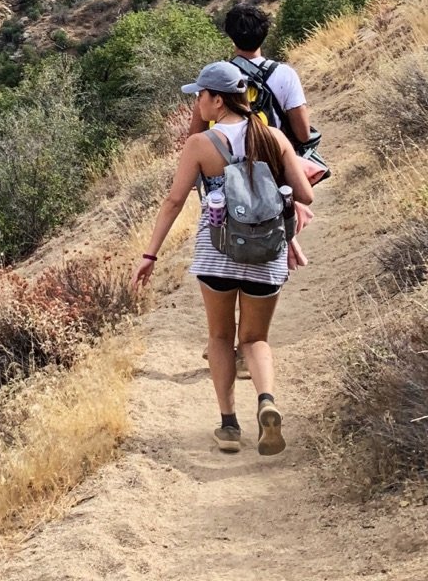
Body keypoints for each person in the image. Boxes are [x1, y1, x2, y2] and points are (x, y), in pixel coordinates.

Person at [132, 61, 314, 455]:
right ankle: (266, 400)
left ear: (218, 99)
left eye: (200, 95)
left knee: (219, 336)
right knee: (256, 339)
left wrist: (151, 254)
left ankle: (229, 426)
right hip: (267, 255)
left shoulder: (200, 145)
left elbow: (174, 201)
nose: (197, 103)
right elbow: (306, 196)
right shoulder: (273, 137)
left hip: (217, 254)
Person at [187, 3, 311, 152]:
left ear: (231, 38)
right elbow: (303, 135)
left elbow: (195, 137)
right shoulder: (285, 74)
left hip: (230, 168)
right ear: (264, 35)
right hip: (273, 163)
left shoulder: (215, 76)